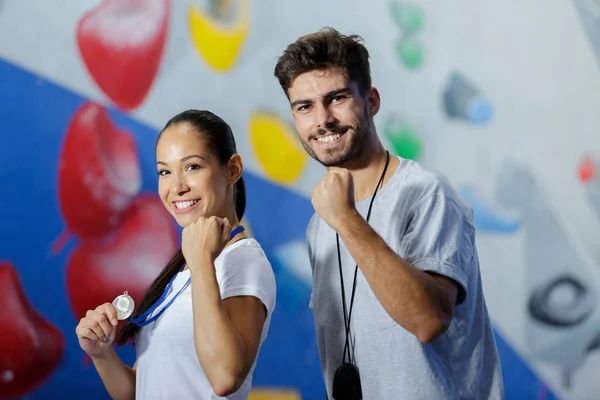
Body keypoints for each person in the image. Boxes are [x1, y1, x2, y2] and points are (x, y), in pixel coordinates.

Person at [273, 28, 504, 399]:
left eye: (337, 98)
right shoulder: (321, 225)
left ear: (372, 101)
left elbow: (428, 320)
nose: (323, 120)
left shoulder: (426, 193)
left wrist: (348, 220)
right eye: (305, 107)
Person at [75, 109, 277, 400]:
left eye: (192, 167)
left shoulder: (243, 262)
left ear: (232, 169)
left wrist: (200, 262)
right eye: (165, 172)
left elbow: (224, 377)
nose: (177, 187)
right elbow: (142, 390)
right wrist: (102, 354)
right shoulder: (185, 266)